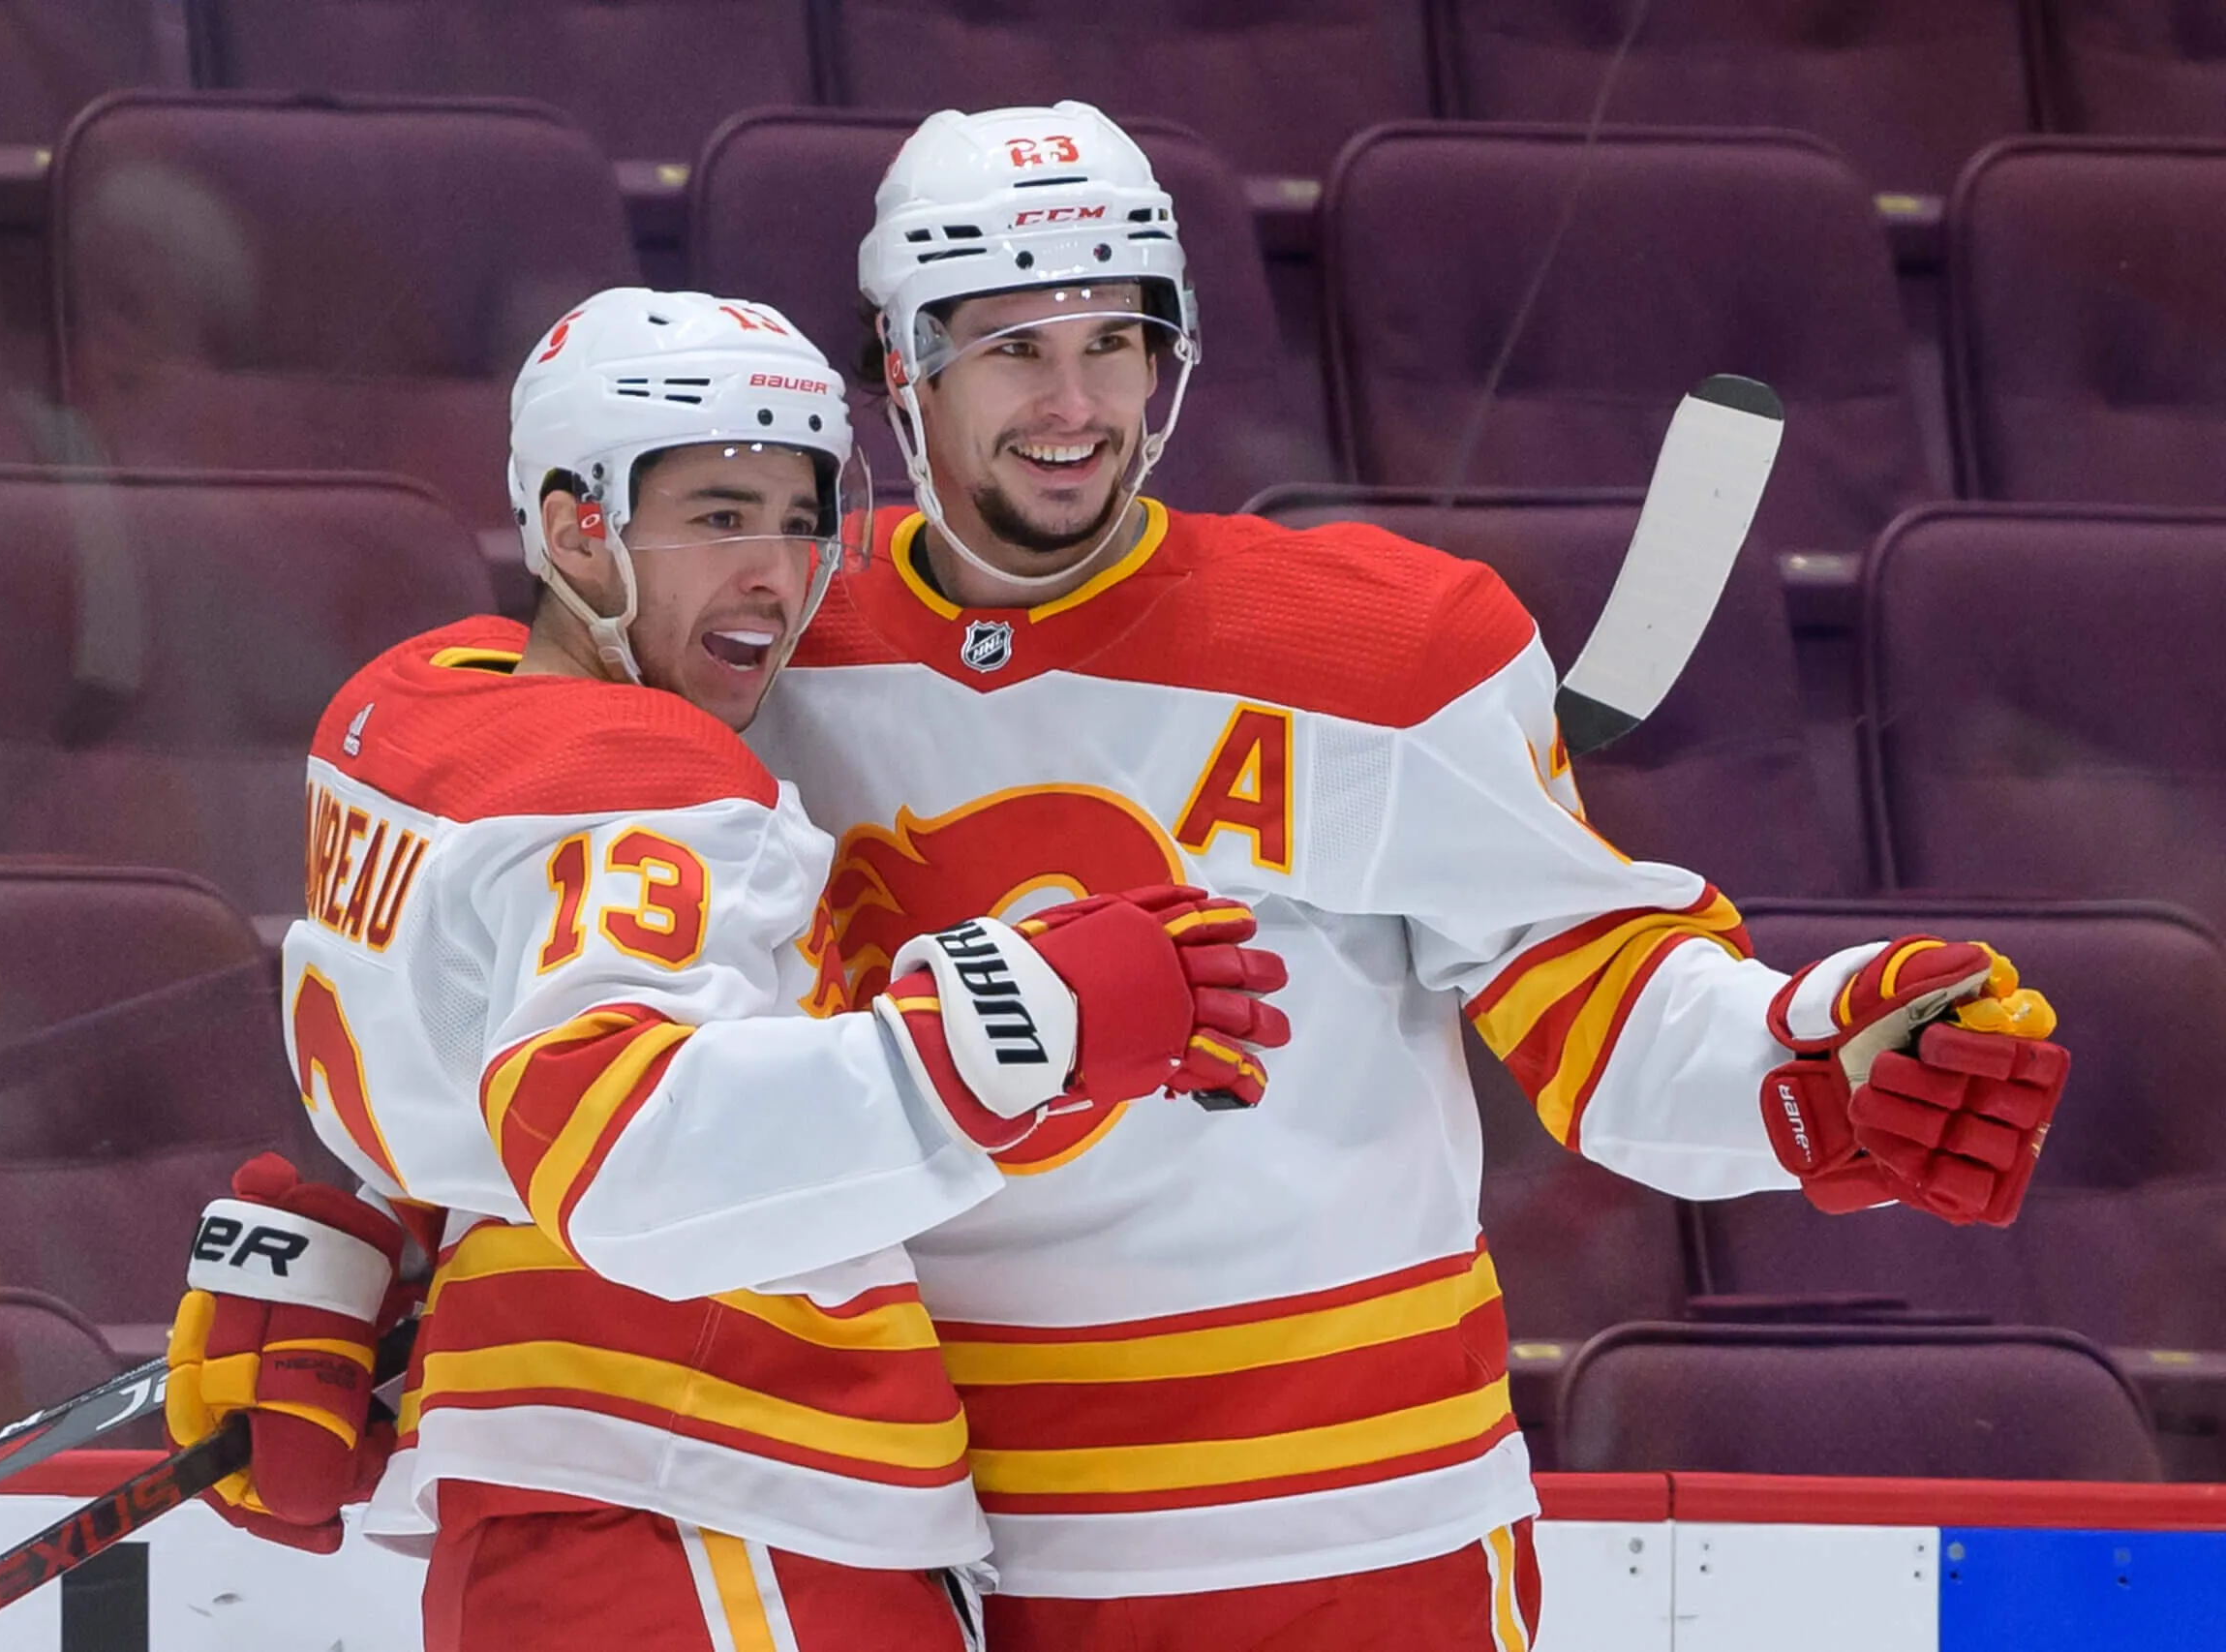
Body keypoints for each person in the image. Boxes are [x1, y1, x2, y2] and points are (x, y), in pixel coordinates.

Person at [737, 102, 2074, 1651]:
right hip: (929, 1543)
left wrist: (1809, 1055)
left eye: (1116, 337)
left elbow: (1601, 990)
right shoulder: (773, 655)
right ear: (905, 360)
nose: (1076, 397)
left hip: (1352, 1536)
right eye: (1015, 345)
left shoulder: (1381, 648)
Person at [161, 287, 1291, 1652]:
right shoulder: (651, 779)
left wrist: (385, 1250)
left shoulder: (428, 707)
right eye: (716, 516)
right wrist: (1018, 1024)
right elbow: (627, 1139)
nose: (780, 568)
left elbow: (502, 1076)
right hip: (713, 1515)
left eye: (802, 513)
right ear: (578, 525)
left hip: (571, 1518)